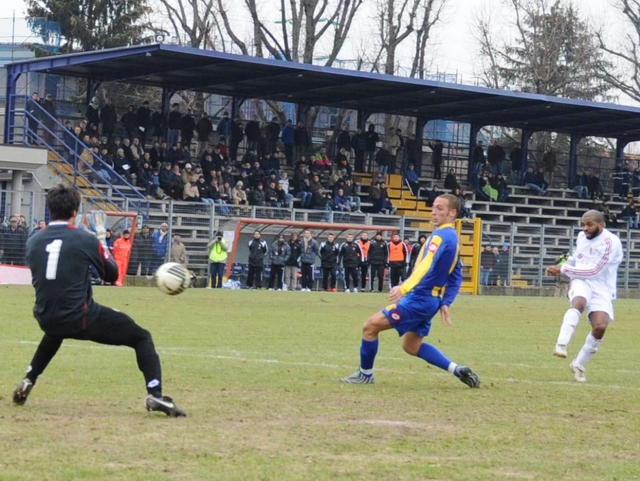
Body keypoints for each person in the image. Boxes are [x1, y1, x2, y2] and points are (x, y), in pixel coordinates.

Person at [12, 185, 185, 416]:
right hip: (80, 316)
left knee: (55, 332)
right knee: (142, 337)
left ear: (49, 210)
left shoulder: (33, 241)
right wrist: (101, 239)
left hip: (45, 315)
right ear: (75, 211)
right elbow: (112, 275)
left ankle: (29, 379)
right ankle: (155, 395)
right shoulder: (84, 238)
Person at [340, 194, 480, 388]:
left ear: (452, 213)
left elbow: (426, 264)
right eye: (433, 207)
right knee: (411, 346)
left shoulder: (440, 236)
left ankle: (365, 375)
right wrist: (446, 302)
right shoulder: (454, 239)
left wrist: (404, 287)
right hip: (431, 301)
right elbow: (456, 276)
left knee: (370, 327)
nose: (433, 211)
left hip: (419, 299)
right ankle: (457, 369)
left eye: (440, 208)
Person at [546, 210, 623, 383]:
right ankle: (562, 343)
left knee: (600, 326)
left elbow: (595, 271)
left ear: (601, 224)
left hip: (601, 286)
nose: (585, 228)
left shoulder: (611, 242)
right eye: (583, 224)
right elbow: (576, 257)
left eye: (589, 224)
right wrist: (560, 265)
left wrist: (563, 270)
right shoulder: (581, 236)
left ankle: (579, 364)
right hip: (580, 279)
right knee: (578, 302)